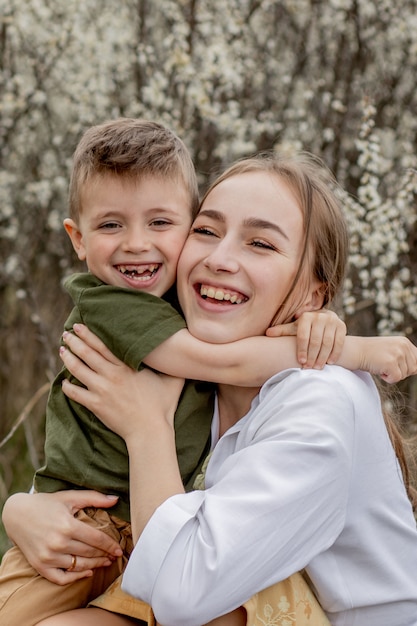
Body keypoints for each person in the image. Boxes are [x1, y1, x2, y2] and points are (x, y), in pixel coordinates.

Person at [4, 152, 417, 626]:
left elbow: (182, 592)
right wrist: (23, 509)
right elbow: (90, 462)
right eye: (206, 231)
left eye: (260, 243)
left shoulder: (319, 404)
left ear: (312, 295)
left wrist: (145, 427)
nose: (220, 259)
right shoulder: (188, 369)